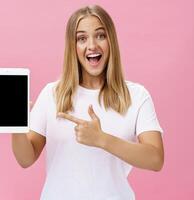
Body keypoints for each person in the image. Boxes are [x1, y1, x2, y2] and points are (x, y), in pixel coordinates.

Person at [11, 5, 164, 200]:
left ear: (111, 41)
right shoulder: (52, 94)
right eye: (82, 38)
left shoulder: (136, 96)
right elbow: (26, 158)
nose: (92, 45)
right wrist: (16, 126)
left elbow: (155, 158)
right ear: (73, 46)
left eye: (100, 35)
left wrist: (101, 139)